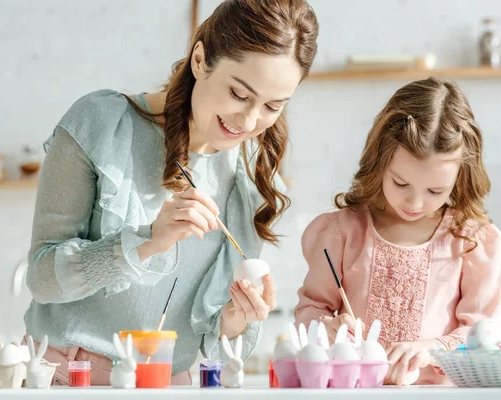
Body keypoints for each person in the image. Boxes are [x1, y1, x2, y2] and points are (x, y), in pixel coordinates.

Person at [22, 0, 319, 386]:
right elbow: (42, 277)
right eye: (238, 93)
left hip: (171, 384)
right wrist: (147, 241)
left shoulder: (252, 168)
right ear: (200, 59)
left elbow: (212, 336)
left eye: (272, 106)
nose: (249, 121)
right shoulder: (102, 125)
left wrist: (234, 319)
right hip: (69, 379)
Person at [293, 77, 501, 385]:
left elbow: (484, 333)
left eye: (436, 190)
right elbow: (310, 309)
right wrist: (325, 327)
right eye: (401, 183)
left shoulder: (473, 242)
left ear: (460, 177)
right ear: (380, 161)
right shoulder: (342, 232)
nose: (415, 202)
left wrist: (434, 349)